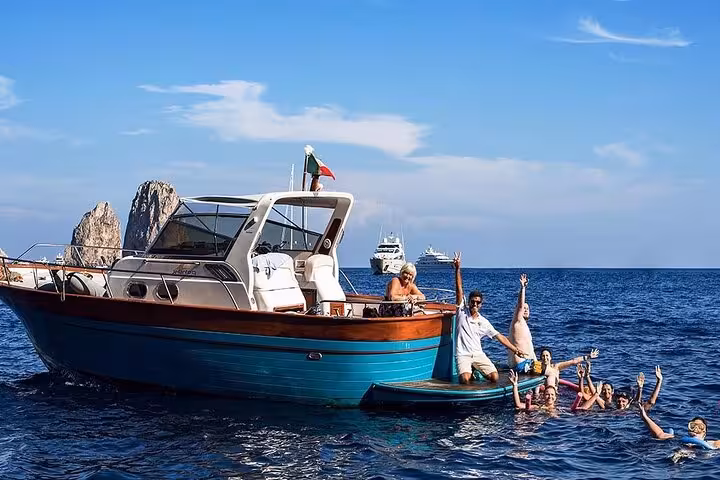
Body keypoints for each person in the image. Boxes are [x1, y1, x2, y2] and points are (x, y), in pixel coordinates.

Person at [453, 252, 527, 383]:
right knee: (465, 379)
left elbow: (500, 337)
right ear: (468, 302)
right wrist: (458, 268)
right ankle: (470, 371)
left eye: (478, 302)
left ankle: (476, 370)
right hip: (463, 354)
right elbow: (459, 289)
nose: (475, 304)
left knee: (495, 377)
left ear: (481, 304)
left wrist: (516, 350)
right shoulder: (461, 311)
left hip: (478, 354)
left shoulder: (483, 322)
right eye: (472, 301)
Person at [639, 405, 720, 448]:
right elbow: (660, 434)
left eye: (700, 427)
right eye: (692, 426)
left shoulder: (710, 443)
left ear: (704, 433)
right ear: (689, 430)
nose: (696, 429)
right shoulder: (678, 439)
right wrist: (645, 417)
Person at [508, 273, 537, 371]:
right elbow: (520, 305)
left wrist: (537, 363)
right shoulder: (517, 320)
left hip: (528, 363)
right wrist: (523, 288)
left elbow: (531, 350)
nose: (525, 310)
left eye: (527, 308)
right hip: (521, 364)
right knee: (552, 371)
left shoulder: (524, 325)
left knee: (548, 368)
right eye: (523, 308)